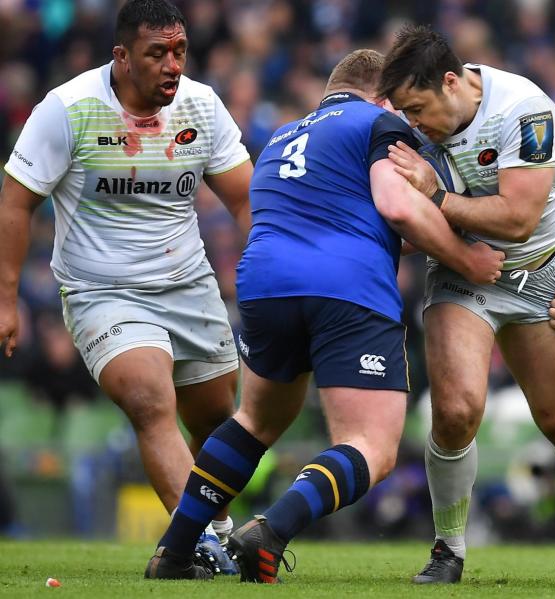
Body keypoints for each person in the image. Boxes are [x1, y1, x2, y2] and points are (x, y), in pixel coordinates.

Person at [145, 48, 505, 581]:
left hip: (266, 283)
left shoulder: (282, 137)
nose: (409, 116)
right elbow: (398, 206)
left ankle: (173, 554)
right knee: (372, 446)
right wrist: (465, 257)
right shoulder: (379, 123)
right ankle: (270, 532)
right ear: (383, 95)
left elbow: (341, 215)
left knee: (254, 421)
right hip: (345, 285)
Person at [0, 0, 248, 572]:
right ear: (122, 57)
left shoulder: (201, 106)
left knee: (217, 419)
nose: (172, 65)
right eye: (156, 53)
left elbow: (245, 198)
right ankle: (200, 543)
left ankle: (222, 528)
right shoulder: (69, 109)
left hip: (189, 283)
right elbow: (15, 205)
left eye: (179, 51)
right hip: (101, 292)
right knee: (149, 400)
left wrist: (264, 271)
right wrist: (7, 299)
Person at [378, 25, 555, 584]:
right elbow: (410, 221)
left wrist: (436, 197)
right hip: (462, 275)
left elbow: (517, 218)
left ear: (450, 82)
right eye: (405, 114)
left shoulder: (525, 110)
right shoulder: (413, 128)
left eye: (419, 109)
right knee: (458, 410)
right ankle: (449, 548)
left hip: (538, 275)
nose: (414, 125)